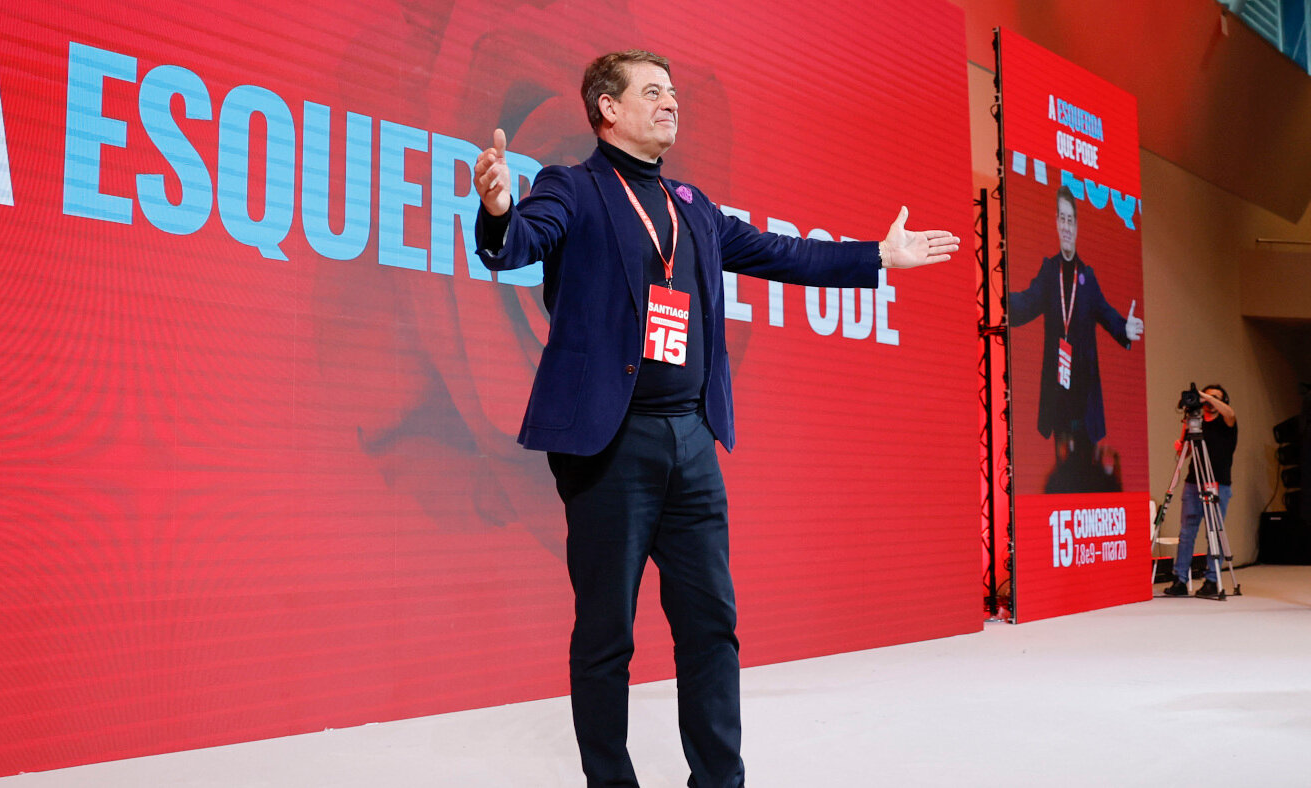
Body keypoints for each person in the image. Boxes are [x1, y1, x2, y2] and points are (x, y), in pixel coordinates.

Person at [470, 50, 958, 788]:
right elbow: (516, 245)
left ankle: (719, 780)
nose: (671, 103)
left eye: (673, 92)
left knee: (710, 627)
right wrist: (499, 209)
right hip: (610, 445)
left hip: (692, 440)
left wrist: (877, 256)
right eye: (653, 92)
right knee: (607, 634)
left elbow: (778, 252)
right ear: (608, 109)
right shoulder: (571, 187)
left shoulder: (692, 206)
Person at [1009, 185, 1144, 489]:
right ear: (1055, 223)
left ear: (1077, 226)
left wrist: (1126, 328)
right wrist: (1000, 299)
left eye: (1071, 220)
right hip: (1058, 392)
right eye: (1062, 219)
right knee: (1061, 473)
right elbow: (1028, 302)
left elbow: (1107, 313)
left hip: (1084, 395)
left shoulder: (1089, 277)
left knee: (1086, 474)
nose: (1066, 227)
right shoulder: (1048, 271)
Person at [1164, 384, 1237, 598]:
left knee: (1214, 532)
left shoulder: (1227, 422)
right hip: (1193, 483)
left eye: (1216, 398)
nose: (1209, 401)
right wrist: (1181, 445)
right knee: (1187, 533)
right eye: (1207, 397)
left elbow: (1230, 413)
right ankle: (1180, 579)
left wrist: (1204, 395)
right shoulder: (1195, 421)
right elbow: (1184, 453)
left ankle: (1213, 580)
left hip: (1218, 483)